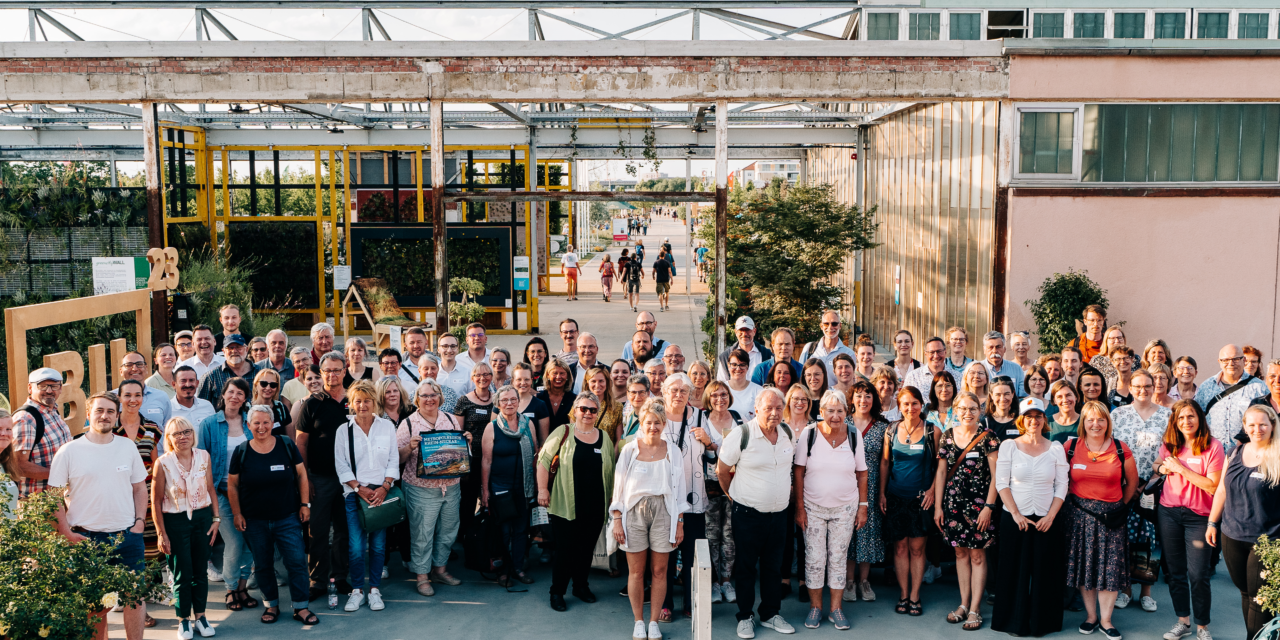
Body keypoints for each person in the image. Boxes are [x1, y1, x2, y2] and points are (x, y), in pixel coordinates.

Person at [50, 392, 150, 640]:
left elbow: (139, 487)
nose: (104, 416)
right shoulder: (69, 451)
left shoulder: (127, 446)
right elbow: (52, 498)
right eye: (99, 410)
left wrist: (139, 522)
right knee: (95, 605)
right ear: (88, 414)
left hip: (127, 536)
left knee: (134, 599)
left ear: (116, 416)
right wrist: (66, 532)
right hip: (85, 539)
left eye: (110, 412)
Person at [716, 388, 797, 639]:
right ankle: (745, 616)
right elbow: (722, 471)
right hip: (748, 514)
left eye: (778, 408)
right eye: (769, 408)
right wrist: (736, 497)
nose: (774, 413)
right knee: (746, 566)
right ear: (757, 409)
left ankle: (770, 614)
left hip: (779, 514)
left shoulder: (787, 433)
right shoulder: (742, 435)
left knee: (773, 566)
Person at [227, 405, 317, 626]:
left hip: (287, 517)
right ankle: (271, 605)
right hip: (255, 520)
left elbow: (301, 475)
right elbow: (232, 484)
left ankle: (301, 607)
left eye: (266, 422)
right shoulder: (242, 451)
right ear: (248, 426)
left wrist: (305, 504)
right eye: (256, 423)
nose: (261, 427)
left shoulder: (286, 445)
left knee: (296, 561)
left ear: (273, 423)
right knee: (263, 564)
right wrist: (237, 513)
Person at [991, 397, 1069, 637]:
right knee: (1013, 570)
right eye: (1029, 416)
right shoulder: (1009, 446)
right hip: (1016, 519)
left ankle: (1042, 623)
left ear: (1044, 419)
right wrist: (1015, 513)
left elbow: (1062, 484)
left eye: (1038, 416)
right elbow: (1002, 483)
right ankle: (1013, 622)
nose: (1033, 420)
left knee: (1046, 571)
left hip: (1046, 520)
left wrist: (1051, 516)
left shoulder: (1055, 447)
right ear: (1021, 420)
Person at [612, 398, 689, 640]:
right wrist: (616, 518)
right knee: (636, 572)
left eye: (657, 422)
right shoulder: (629, 450)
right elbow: (619, 487)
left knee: (660, 570)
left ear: (664, 424)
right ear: (641, 424)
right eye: (648, 422)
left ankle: (654, 621)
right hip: (633, 511)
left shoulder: (673, 451)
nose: (653, 426)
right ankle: (638, 621)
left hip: (664, 511)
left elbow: (680, 489)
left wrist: (679, 523)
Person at [1065, 400, 1139, 640]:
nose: (1095, 424)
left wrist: (1119, 507)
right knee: (1086, 568)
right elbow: (1060, 480)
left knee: (1109, 569)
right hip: (1079, 518)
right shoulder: (1070, 446)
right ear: (1083, 423)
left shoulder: (1120, 448)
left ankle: (1106, 620)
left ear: (1108, 422)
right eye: (1090, 419)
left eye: (1101, 419)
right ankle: (1091, 616)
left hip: (1111, 519)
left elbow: (1132, 484)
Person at [795, 390, 867, 631]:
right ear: (821, 412)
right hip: (812, 507)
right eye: (830, 411)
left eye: (840, 411)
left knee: (838, 557)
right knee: (814, 559)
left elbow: (862, 473)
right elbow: (798, 472)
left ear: (847, 412)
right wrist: (800, 509)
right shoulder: (809, 433)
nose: (835, 416)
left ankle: (836, 609)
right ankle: (816, 607)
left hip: (845, 507)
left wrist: (862, 508)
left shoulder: (854, 435)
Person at [1206, 404, 1280, 640]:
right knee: (1246, 593)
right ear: (1245, 428)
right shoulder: (1234, 452)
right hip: (1232, 535)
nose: (1257, 429)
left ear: (1272, 425)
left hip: (1268, 540)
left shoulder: (1278, 455)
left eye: (1263, 424)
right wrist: (1211, 523)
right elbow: (1221, 491)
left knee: (1261, 599)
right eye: (1252, 425)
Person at [537, 393, 616, 612]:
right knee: (565, 551)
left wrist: (611, 500)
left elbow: (611, 471)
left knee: (586, 550)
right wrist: (543, 490)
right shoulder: (563, 432)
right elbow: (543, 462)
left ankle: (580, 586)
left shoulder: (604, 437)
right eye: (583, 409)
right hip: (565, 504)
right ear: (575, 410)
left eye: (592, 410)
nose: (588, 413)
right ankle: (557, 592)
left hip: (595, 505)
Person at [1155, 399, 1224, 640]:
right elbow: (1158, 465)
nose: (1186, 421)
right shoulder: (1170, 444)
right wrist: (1163, 468)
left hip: (1199, 517)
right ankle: (1182, 622)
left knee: (1198, 574)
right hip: (1169, 513)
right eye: (1181, 417)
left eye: (1191, 416)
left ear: (1200, 418)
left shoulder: (1213, 446)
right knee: (1175, 572)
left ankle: (1203, 627)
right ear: (1175, 421)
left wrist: (1182, 469)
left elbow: (1213, 487)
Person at [933, 392, 999, 630]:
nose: (967, 413)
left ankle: (975, 608)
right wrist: (938, 506)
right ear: (956, 411)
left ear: (980, 410)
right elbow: (941, 472)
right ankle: (963, 603)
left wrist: (989, 508)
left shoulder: (989, 438)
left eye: (972, 409)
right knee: (960, 554)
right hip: (953, 506)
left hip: (980, 507)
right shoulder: (948, 436)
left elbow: (996, 476)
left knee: (978, 555)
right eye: (962, 409)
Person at [659, 374, 721, 620]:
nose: (678, 394)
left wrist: (708, 443)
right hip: (663, 497)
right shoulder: (657, 414)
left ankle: (690, 601)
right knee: (665, 553)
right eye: (674, 390)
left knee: (693, 553)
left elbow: (713, 456)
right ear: (664, 392)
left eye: (684, 391)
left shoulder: (699, 416)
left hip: (693, 496)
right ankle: (664, 603)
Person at [152, 417, 220, 639]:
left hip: (202, 518)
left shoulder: (204, 456)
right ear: (169, 438)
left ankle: (200, 617)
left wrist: (216, 519)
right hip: (175, 520)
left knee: (200, 571)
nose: (182, 437)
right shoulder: (162, 462)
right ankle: (183, 621)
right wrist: (161, 533)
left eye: (186, 432)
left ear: (193, 434)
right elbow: (155, 501)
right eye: (176, 434)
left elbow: (210, 488)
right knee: (182, 573)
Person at [334, 380, 399, 612]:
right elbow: (341, 465)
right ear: (351, 403)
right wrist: (359, 488)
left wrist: (385, 486)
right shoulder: (344, 430)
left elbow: (393, 458)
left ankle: (374, 590)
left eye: (367, 400)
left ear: (375, 402)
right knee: (356, 546)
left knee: (379, 545)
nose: (362, 405)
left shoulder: (386, 427)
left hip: (381, 493)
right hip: (355, 495)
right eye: (358, 401)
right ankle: (357, 591)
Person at [1111, 369, 1172, 611]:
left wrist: (1150, 481)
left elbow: (1171, 450)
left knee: (1149, 539)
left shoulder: (1167, 415)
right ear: (1130, 387)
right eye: (1137, 386)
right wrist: (1129, 483)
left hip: (1154, 485)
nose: (1143, 390)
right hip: (1124, 485)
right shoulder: (1118, 414)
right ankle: (1124, 589)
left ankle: (1146, 592)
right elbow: (1112, 448)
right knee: (1123, 538)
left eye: (1148, 385)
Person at [396, 380, 465, 596]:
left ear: (440, 398)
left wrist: (466, 442)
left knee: (448, 531)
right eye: (424, 395)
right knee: (422, 534)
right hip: (420, 488)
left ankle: (440, 570)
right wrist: (410, 447)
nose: (429, 399)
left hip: (451, 486)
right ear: (417, 399)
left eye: (433, 394)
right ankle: (422, 577)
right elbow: (397, 458)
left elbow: (458, 453)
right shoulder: (408, 423)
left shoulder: (451, 419)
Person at [196, 377, 258, 611]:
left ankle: (243, 587)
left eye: (240, 394)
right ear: (223, 394)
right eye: (231, 392)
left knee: (250, 543)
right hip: (220, 493)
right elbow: (202, 460)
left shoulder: (250, 423)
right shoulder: (210, 424)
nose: (235, 397)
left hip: (249, 494)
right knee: (234, 542)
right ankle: (231, 589)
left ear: (245, 399)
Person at [294, 352, 352, 599]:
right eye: (326, 370)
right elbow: (301, 444)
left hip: (350, 478)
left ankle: (341, 577)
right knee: (316, 531)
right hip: (319, 477)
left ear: (345, 370)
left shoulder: (355, 399)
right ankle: (317, 580)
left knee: (344, 530)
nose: (331, 375)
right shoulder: (312, 403)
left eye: (336, 370)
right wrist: (305, 479)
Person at [879, 386, 937, 617]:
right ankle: (903, 594)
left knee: (917, 549)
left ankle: (915, 596)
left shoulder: (933, 432)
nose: (910, 408)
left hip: (920, 499)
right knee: (900, 547)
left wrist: (933, 490)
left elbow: (941, 467)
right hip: (895, 497)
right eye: (905, 404)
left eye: (914, 403)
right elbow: (885, 463)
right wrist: (882, 493)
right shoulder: (891, 430)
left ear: (921, 405)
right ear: (899, 406)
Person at [481, 385, 539, 588]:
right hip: (500, 487)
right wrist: (486, 490)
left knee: (522, 530)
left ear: (518, 401)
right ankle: (503, 570)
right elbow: (486, 461)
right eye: (504, 400)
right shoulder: (492, 428)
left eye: (513, 399)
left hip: (523, 487)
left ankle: (518, 568)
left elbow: (535, 455)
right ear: (498, 404)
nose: (509, 403)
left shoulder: (528, 424)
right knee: (504, 531)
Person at [115, 379, 165, 580]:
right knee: (122, 540)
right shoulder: (109, 427)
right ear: (119, 398)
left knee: (150, 541)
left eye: (137, 395)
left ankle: (152, 588)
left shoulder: (151, 428)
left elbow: (155, 465)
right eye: (127, 395)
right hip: (117, 495)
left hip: (145, 494)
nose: (132, 399)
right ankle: (122, 589)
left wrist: (158, 496)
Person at [846, 380, 888, 603]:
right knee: (847, 532)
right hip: (845, 484)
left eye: (868, 396)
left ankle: (864, 580)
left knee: (868, 533)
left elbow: (884, 462)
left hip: (871, 487)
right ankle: (848, 581)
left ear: (875, 400)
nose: (863, 400)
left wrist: (881, 492)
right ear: (852, 399)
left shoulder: (883, 426)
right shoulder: (842, 422)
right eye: (859, 395)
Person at [702, 380, 742, 603]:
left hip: (735, 485)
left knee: (730, 535)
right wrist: (714, 449)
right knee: (711, 535)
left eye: (724, 394)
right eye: (715, 395)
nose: (720, 398)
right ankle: (713, 583)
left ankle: (727, 581)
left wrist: (714, 447)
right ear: (709, 398)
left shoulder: (737, 418)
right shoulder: (702, 419)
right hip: (709, 487)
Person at [12, 367, 73, 498]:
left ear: (60, 388)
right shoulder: (25, 419)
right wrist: (61, 475)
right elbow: (18, 465)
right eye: (43, 386)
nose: (49, 391)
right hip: (37, 505)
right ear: (30, 388)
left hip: (57, 499)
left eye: (54, 386)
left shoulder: (52, 412)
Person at [1196, 344, 1268, 451]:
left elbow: (1268, 420)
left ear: (1243, 360)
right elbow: (1197, 417)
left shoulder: (1259, 388)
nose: (1230, 363)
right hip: (1212, 453)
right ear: (1219, 362)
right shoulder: (1206, 387)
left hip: (1247, 453)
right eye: (1225, 360)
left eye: (1235, 359)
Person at [453, 363, 496, 542]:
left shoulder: (498, 399)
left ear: (491, 377)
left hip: (492, 457)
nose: (482, 378)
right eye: (478, 375)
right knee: (468, 499)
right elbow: (458, 432)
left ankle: (488, 534)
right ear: (472, 378)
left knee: (490, 497)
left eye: (486, 374)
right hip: (471, 458)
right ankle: (465, 535)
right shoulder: (464, 400)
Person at [118, 350, 173, 436]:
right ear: (121, 371)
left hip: (157, 448)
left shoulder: (161, 397)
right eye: (129, 365)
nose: (135, 368)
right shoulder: (111, 399)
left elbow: (168, 429)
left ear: (146, 368)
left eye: (139, 364)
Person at [197, 334, 261, 405]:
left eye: (238, 347)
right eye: (230, 348)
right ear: (223, 351)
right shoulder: (210, 377)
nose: (234, 351)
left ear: (246, 349)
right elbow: (201, 407)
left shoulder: (260, 373)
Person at [797, 311, 856, 381]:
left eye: (834, 324)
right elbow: (800, 376)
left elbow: (851, 381)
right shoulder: (809, 349)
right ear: (821, 326)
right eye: (826, 324)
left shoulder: (849, 354)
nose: (830, 327)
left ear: (840, 326)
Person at [717, 316, 773, 382]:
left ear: (754, 331)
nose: (744, 334)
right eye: (741, 330)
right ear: (736, 332)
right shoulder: (725, 357)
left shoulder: (766, 355)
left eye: (747, 330)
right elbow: (722, 383)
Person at [171, 366, 216, 442]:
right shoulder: (168, 409)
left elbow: (214, 434)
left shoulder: (207, 406)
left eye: (191, 380)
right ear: (174, 384)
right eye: (183, 381)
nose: (188, 384)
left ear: (197, 383)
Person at [513, 363, 552, 446]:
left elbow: (543, 440)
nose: (523, 383)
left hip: (531, 455)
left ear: (531, 380)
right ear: (513, 381)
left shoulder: (540, 405)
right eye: (519, 379)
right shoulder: (503, 403)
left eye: (526, 379)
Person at [585, 366, 624, 443]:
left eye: (601, 381)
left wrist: (612, 455)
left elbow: (619, 440)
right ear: (587, 382)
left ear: (607, 382)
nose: (597, 385)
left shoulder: (617, 407)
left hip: (607, 453)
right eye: (593, 381)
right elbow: (574, 434)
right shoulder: (579, 405)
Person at [725, 349, 764, 422]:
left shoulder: (758, 391)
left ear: (748, 367)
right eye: (734, 365)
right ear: (728, 366)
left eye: (742, 365)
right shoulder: (721, 389)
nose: (738, 368)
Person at [252, 367, 292, 438]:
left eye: (273, 385)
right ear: (256, 385)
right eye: (263, 384)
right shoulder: (247, 409)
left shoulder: (281, 408)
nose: (268, 388)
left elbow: (291, 439)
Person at [1090, 326, 1129, 390]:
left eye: (1119, 338)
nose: (1117, 341)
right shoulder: (1097, 360)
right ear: (1106, 341)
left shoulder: (1133, 358)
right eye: (1112, 338)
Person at [982, 376, 1020, 441]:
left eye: (1006, 394)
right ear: (991, 396)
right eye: (998, 395)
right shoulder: (985, 424)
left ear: (1012, 394)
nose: (1002, 399)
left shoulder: (1021, 421)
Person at [621, 246, 645, 312]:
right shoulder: (638, 263)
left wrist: (622, 279)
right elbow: (642, 272)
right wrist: (643, 275)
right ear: (635, 257)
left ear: (630, 257)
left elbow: (624, 272)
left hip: (630, 280)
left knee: (630, 293)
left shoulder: (627, 264)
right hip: (637, 280)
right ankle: (636, 305)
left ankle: (631, 306)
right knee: (636, 294)